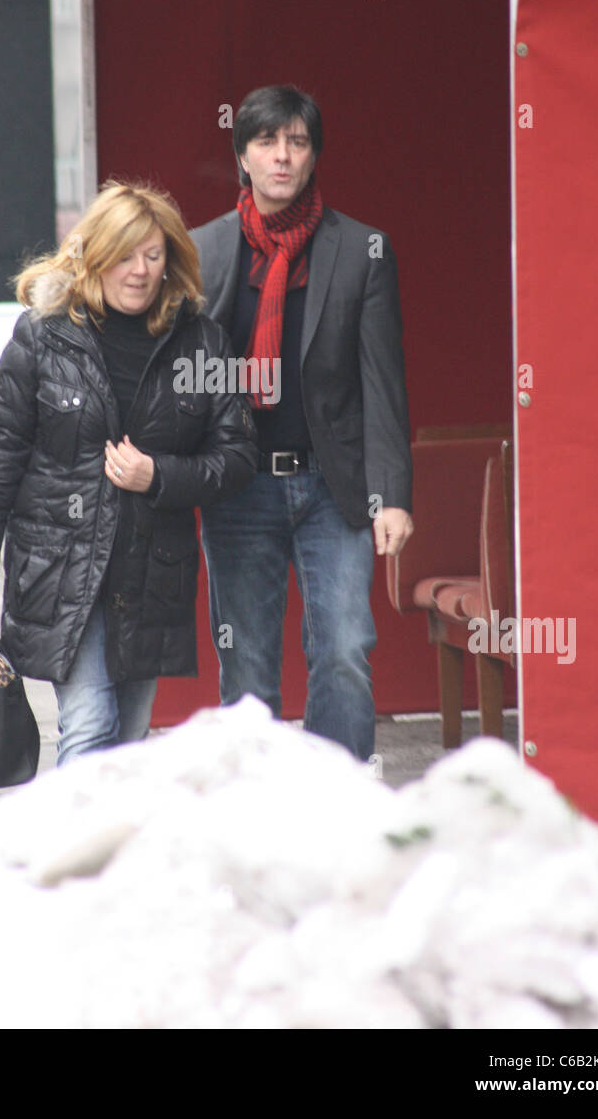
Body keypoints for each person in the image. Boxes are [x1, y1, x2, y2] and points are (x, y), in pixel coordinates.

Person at [0, 181, 257, 763]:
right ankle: (76, 851)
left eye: (152, 254)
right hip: (63, 566)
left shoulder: (203, 343)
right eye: (123, 255)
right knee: (91, 724)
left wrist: (158, 476)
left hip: (150, 574)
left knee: (130, 736)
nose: (139, 271)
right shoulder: (45, 334)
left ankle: (111, 850)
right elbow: (1, 447)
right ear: (94, 255)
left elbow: (238, 455)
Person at [192, 85, 414, 762]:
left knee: (344, 648)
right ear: (243, 157)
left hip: (333, 487)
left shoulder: (362, 250)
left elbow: (383, 384)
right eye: (267, 141)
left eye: (297, 142)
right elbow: (184, 382)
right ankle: (256, 809)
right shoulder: (205, 251)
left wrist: (395, 494)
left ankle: (339, 797)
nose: (282, 156)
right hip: (240, 486)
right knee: (250, 666)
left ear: (314, 156)